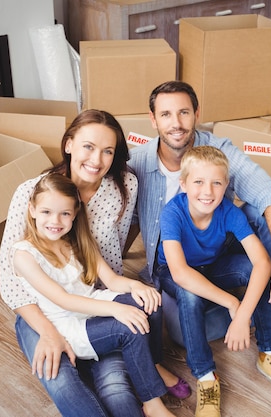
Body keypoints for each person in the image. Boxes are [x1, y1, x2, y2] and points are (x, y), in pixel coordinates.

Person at [126, 81, 271, 407]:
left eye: (183, 112)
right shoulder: (138, 164)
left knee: (258, 225)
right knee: (187, 329)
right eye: (166, 114)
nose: (176, 122)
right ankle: (266, 303)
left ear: (197, 114)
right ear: (152, 120)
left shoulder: (219, 154)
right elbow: (123, 221)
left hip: (217, 257)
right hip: (175, 269)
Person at [0, 109, 187, 417]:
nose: (97, 160)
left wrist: (127, 290)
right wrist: (47, 331)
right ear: (69, 144)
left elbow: (114, 256)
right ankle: (134, 369)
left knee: (118, 393)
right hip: (42, 309)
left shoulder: (122, 186)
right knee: (61, 381)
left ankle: (147, 368)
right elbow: (10, 283)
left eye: (108, 151)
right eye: (88, 146)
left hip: (93, 296)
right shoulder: (31, 195)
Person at [158, 146, 271, 415]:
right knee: (189, 294)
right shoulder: (173, 213)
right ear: (183, 184)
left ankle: (269, 353)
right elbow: (180, 273)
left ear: (227, 185)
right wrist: (232, 303)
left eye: (217, 183)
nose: (208, 191)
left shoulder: (229, 211)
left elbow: (263, 263)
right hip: (175, 270)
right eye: (198, 182)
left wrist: (242, 317)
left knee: (254, 270)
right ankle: (205, 376)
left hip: (212, 266)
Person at [12, 173, 174, 417]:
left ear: (75, 213)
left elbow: (111, 280)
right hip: (67, 324)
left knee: (150, 303)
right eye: (46, 212)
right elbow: (63, 300)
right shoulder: (24, 255)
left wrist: (136, 287)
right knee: (129, 329)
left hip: (94, 305)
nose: (55, 220)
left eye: (64, 213)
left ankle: (152, 363)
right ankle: (153, 403)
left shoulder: (76, 242)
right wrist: (117, 310)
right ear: (32, 209)